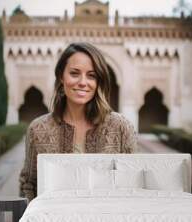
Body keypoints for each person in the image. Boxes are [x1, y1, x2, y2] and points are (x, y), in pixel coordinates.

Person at [19, 42, 137, 201]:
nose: (83, 82)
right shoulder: (38, 129)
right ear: (61, 76)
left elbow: (131, 187)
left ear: (98, 82)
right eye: (74, 73)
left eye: (91, 75)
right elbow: (28, 185)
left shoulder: (121, 128)